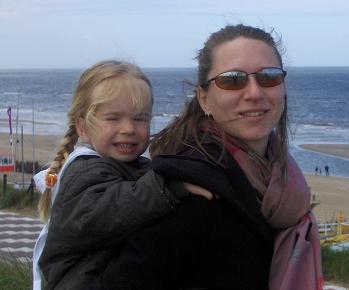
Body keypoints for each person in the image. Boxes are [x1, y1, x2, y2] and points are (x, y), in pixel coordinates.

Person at [102, 25, 324, 290]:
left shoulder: (283, 184)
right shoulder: (190, 191)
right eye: (232, 79)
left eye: (268, 76)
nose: (254, 93)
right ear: (204, 99)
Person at [32, 60, 211, 290]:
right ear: (82, 127)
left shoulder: (133, 165)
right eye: (113, 118)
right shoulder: (83, 170)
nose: (128, 128)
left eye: (140, 118)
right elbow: (107, 212)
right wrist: (168, 185)